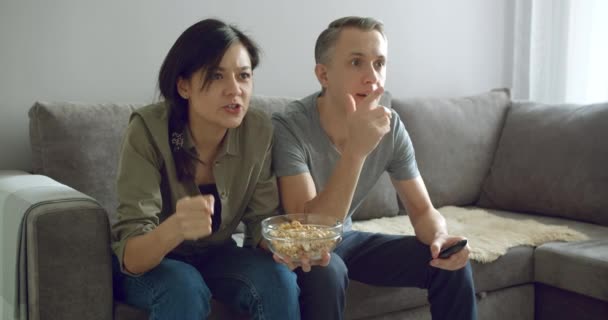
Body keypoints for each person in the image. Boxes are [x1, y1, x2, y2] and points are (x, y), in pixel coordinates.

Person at [272, 16, 477, 319]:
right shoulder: (289, 126)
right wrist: (356, 151)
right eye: (357, 63)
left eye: (379, 64)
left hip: (347, 238)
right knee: (327, 271)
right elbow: (310, 233)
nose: (372, 77)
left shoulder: (390, 128)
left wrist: (439, 237)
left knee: (450, 263)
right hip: (296, 251)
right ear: (323, 75)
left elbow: (422, 211)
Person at [110, 18, 299, 319]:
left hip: (218, 256)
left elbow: (260, 222)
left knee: (279, 281)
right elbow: (132, 257)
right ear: (183, 85)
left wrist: (291, 247)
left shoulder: (258, 129)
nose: (234, 89)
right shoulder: (147, 129)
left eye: (244, 76)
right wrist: (175, 228)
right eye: (216, 76)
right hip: (153, 264)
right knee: (184, 287)